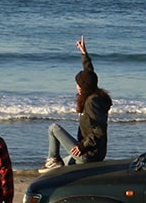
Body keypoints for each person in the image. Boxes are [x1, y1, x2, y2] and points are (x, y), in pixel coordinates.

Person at [41, 36, 113, 172]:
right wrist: (84, 53)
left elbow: (99, 131)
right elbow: (89, 72)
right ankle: (56, 165)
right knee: (62, 169)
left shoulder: (92, 102)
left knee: (53, 128)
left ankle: (53, 160)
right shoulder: (94, 93)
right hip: (93, 152)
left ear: (83, 87)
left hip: (89, 154)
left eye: (78, 84)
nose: (76, 86)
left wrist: (82, 147)